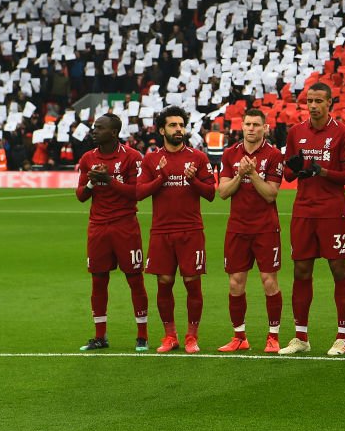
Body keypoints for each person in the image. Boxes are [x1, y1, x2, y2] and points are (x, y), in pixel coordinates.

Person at [279, 82, 345, 356]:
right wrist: (297, 169)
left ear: (330, 104)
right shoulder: (296, 132)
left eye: (318, 101)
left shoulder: (343, 134)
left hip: (332, 212)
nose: (313, 105)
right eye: (309, 100)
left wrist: (321, 171)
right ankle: (301, 337)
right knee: (301, 271)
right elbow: (287, 175)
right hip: (303, 211)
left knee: (338, 269)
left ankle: (342, 337)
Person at [137, 106, 216, 354]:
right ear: (162, 130)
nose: (178, 129)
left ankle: (192, 336)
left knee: (192, 283)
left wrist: (193, 179)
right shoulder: (150, 160)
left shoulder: (198, 158)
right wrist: (160, 176)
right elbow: (139, 193)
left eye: (181, 125)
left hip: (191, 230)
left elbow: (211, 194)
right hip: (161, 231)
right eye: (173, 125)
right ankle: (169, 336)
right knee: (164, 282)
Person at [75, 113, 149, 351]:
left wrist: (108, 180)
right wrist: (90, 183)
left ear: (114, 133)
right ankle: (100, 336)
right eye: (94, 127)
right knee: (98, 280)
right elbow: (80, 196)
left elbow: (136, 192)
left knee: (134, 279)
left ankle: (142, 335)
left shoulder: (132, 157)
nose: (94, 131)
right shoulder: (88, 158)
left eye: (99, 128)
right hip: (98, 227)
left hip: (125, 225)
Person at [215, 109, 285, 354]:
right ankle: (239, 337)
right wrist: (239, 175)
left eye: (256, 124)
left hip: (266, 228)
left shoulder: (274, 155)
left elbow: (271, 194)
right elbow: (223, 192)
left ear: (265, 128)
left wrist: (252, 174)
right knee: (236, 284)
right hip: (237, 228)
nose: (251, 128)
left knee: (269, 282)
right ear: (241, 127)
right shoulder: (229, 154)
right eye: (248, 124)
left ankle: (273, 336)